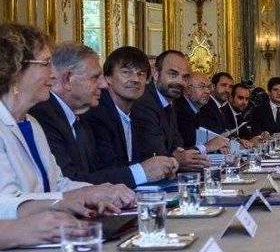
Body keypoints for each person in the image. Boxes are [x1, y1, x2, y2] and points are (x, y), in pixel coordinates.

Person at [0, 23, 134, 219]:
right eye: (46, 64)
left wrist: (100, 191)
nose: (53, 74)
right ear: (16, 69)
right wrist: (77, 197)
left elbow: (58, 184)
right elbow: (6, 204)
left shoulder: (32, 123)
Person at [29, 43, 175, 188]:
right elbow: (69, 182)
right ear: (67, 79)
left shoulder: (79, 118)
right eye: (95, 77)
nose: (103, 85)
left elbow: (98, 172)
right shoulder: (45, 116)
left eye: (141, 74)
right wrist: (141, 172)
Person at [83, 46, 178, 187]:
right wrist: (144, 170)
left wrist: (169, 162)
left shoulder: (135, 114)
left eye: (141, 74)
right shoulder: (97, 114)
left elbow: (146, 156)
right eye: (126, 72)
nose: (135, 79)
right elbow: (107, 172)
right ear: (107, 77)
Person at [131, 50, 226, 171]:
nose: (180, 82)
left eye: (185, 77)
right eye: (173, 74)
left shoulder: (171, 102)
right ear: (155, 73)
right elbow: (158, 156)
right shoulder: (145, 102)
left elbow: (178, 148)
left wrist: (180, 156)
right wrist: (205, 148)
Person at [175, 71, 211, 148]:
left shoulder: (202, 109)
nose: (207, 91)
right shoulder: (180, 109)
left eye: (208, 87)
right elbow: (190, 142)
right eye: (202, 87)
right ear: (188, 89)